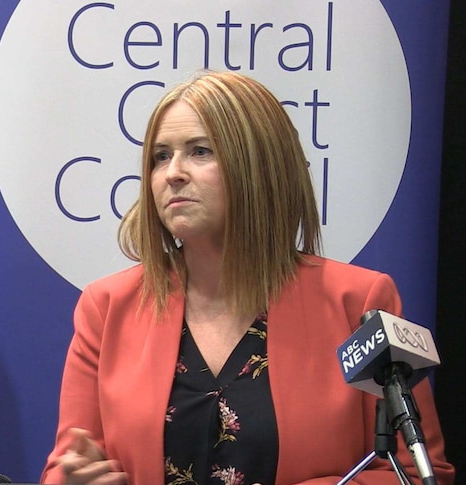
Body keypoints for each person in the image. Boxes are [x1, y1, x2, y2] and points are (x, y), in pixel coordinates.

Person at [41, 71, 454, 485]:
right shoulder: (108, 306)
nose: (173, 174)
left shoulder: (357, 303)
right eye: (160, 157)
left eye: (200, 151)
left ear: (260, 165)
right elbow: (64, 467)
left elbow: (419, 473)